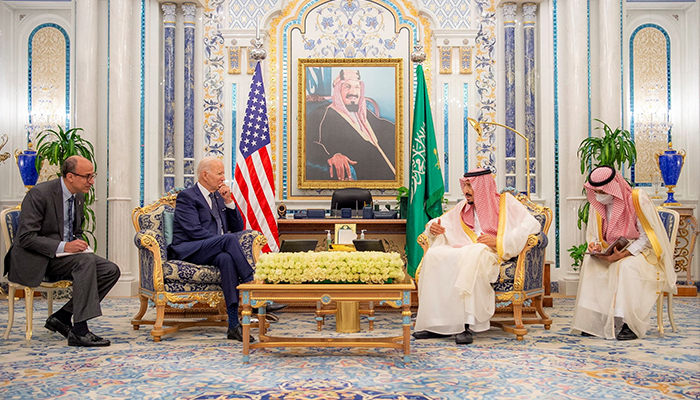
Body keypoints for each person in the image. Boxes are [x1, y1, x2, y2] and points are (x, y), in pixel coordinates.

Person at [413, 168, 541, 344]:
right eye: (464, 185)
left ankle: (465, 324)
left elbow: (531, 226)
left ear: (482, 187)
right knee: (435, 254)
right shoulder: (462, 208)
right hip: (465, 250)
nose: (465, 190)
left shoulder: (506, 203)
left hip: (491, 254)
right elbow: (442, 222)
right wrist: (432, 229)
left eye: (469, 185)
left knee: (472, 254)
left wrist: (497, 241)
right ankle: (437, 325)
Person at [3, 156, 121, 347]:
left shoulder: (79, 196)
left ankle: (62, 317)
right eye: (87, 176)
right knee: (86, 262)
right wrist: (64, 247)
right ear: (70, 176)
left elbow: (75, 231)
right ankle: (80, 331)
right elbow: (26, 237)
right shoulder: (40, 194)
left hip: (63, 257)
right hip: (35, 258)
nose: (91, 181)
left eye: (93, 176)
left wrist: (77, 242)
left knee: (110, 270)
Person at [168, 157, 284, 342]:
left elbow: (237, 227)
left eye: (223, 173)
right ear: (205, 175)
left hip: (213, 250)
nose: (223, 178)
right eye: (220, 173)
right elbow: (193, 230)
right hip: (189, 249)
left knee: (226, 260)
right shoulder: (187, 197)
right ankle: (253, 286)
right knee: (228, 241)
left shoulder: (218, 196)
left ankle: (233, 326)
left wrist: (229, 201)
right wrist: (222, 240)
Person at [571, 166, 676, 340]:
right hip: (613, 252)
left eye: (601, 191)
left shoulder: (636, 199)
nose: (598, 195)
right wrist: (595, 247)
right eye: (595, 191)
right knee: (591, 263)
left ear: (613, 187)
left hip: (641, 253)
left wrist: (624, 254)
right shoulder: (598, 205)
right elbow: (596, 236)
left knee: (625, 267)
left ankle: (628, 324)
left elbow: (647, 238)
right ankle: (596, 320)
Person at [305, 69, 396, 181]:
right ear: (338, 91)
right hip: (360, 179)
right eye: (347, 87)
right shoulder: (321, 114)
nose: (353, 92)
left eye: (357, 87)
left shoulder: (364, 112)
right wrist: (332, 156)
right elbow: (308, 143)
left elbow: (383, 127)